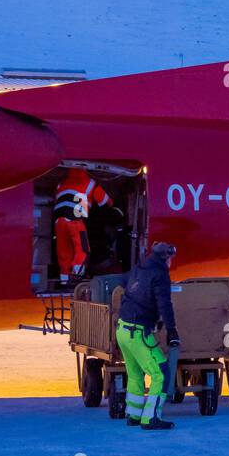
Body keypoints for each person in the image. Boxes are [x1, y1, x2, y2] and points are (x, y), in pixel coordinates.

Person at [115, 242, 179, 431]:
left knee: (135, 374)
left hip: (122, 330)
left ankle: (134, 415)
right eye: (170, 258)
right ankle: (151, 418)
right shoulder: (160, 275)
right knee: (160, 374)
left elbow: (125, 285)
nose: (171, 262)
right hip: (138, 333)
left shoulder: (139, 267)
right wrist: (172, 331)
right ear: (165, 258)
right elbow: (165, 305)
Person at [53, 167, 115, 284]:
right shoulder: (90, 183)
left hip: (59, 222)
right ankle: (76, 278)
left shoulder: (62, 183)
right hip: (75, 220)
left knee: (64, 252)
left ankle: (64, 281)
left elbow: (56, 197)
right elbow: (105, 201)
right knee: (82, 250)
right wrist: (112, 204)